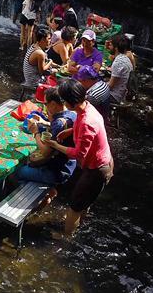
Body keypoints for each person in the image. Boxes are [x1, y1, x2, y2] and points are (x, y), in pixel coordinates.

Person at [46, 79, 113, 237]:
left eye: (64, 100)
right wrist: (70, 131)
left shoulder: (86, 123)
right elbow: (84, 125)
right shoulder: (87, 107)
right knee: (85, 200)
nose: (63, 103)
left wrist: (55, 145)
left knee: (74, 208)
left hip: (97, 169)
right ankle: (78, 225)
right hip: (104, 161)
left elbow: (78, 154)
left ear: (71, 102)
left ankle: (66, 238)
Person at [16, 87, 76, 190]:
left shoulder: (59, 123)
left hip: (56, 172)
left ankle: (33, 192)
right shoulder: (72, 113)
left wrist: (35, 132)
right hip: (70, 165)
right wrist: (45, 122)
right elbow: (61, 127)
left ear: (53, 104)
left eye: (45, 103)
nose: (45, 107)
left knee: (19, 172)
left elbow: (45, 152)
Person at [107, 34, 134, 103]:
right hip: (121, 92)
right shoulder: (124, 58)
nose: (109, 47)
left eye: (110, 45)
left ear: (116, 48)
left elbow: (110, 86)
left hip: (114, 96)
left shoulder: (118, 62)